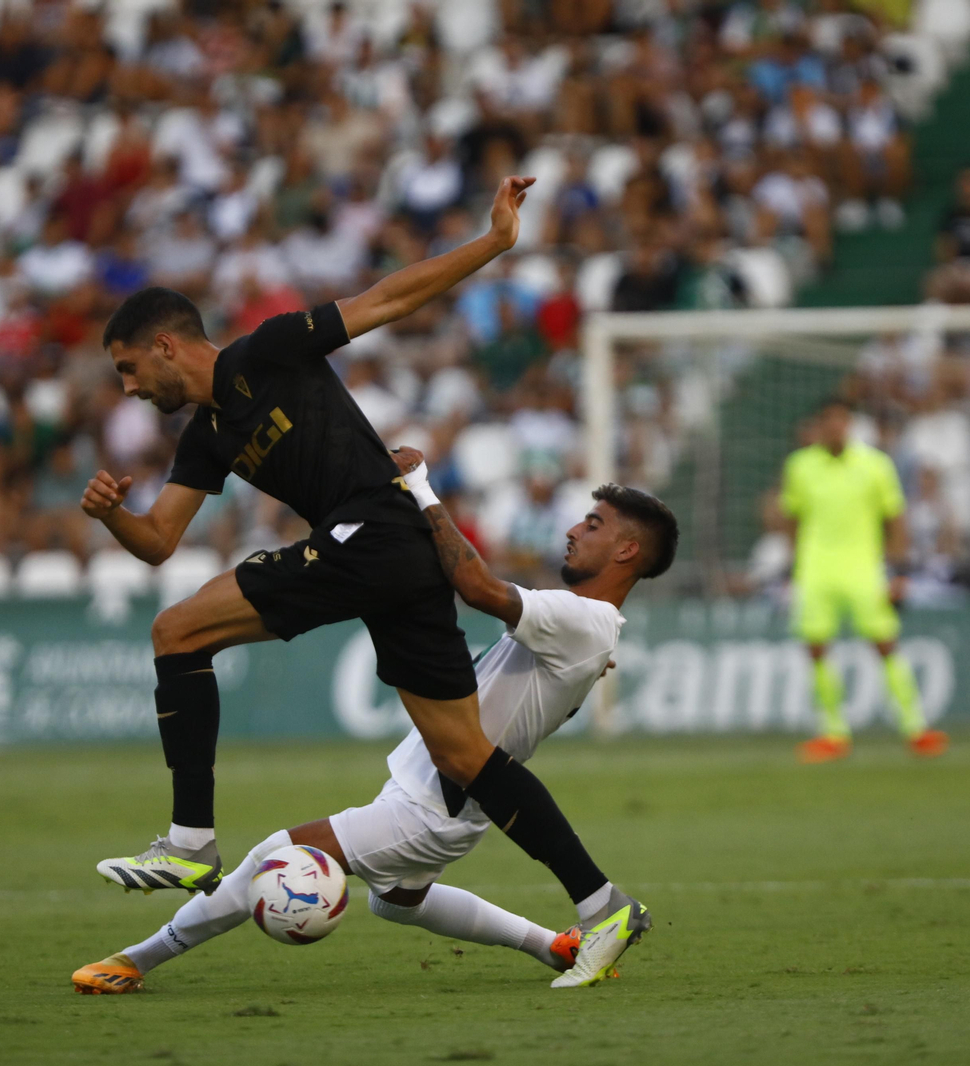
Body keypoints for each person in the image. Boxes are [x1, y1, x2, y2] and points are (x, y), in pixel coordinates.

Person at [82, 176, 638, 962]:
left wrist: (493, 242)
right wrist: (112, 516)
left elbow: (385, 300)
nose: (131, 390)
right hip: (395, 556)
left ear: (167, 345)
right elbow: (160, 539)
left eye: (130, 369)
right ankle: (603, 905)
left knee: (177, 631)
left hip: (374, 529)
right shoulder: (205, 437)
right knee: (465, 757)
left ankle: (190, 842)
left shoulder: (266, 352)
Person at [71, 455, 678, 993]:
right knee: (398, 903)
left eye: (593, 525)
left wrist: (421, 488)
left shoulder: (586, 621)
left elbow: (475, 585)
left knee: (273, 856)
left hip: (431, 805)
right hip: (444, 796)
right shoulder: (589, 628)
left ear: (628, 551)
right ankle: (552, 944)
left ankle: (136, 960)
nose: (574, 529)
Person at [777, 398, 948, 762]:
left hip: (864, 569)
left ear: (850, 424)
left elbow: (895, 519)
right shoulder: (800, 466)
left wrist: (899, 571)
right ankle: (834, 732)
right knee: (816, 647)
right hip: (816, 570)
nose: (835, 427)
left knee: (884, 642)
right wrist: (794, 567)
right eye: (829, 421)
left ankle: (915, 727)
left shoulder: (875, 465)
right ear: (820, 426)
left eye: (842, 420)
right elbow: (792, 518)